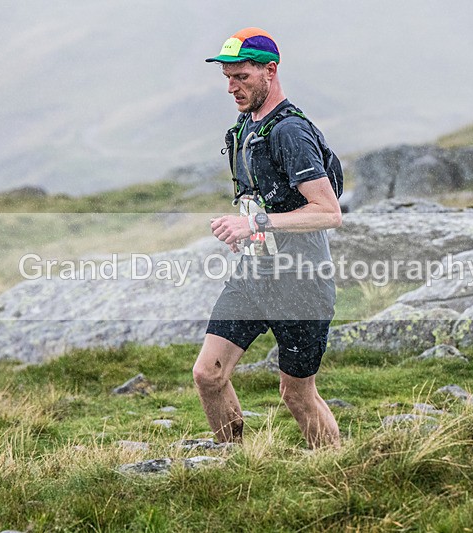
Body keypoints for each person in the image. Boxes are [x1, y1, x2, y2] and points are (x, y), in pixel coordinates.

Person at [192, 27, 342, 448]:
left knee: (297, 395)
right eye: (227, 76)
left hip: (302, 284)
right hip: (256, 275)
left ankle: (338, 470)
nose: (231, 86)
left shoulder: (290, 132)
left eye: (241, 76)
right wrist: (243, 226)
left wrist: (255, 225)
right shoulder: (246, 127)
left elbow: (329, 213)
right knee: (208, 374)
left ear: (269, 71)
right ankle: (236, 467)